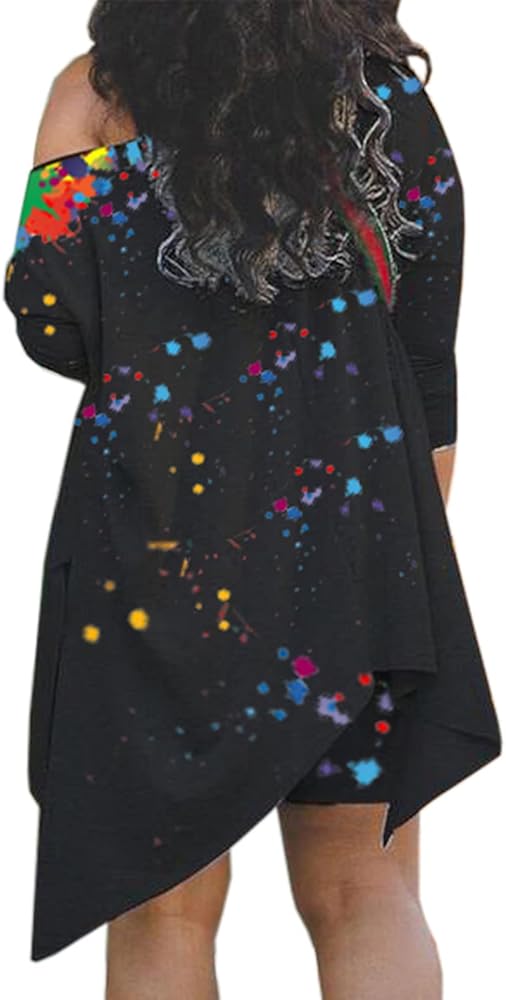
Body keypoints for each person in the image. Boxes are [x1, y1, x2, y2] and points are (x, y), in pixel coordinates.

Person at [3, 2, 501, 997]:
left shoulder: (100, 91)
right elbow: (427, 355)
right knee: (364, 887)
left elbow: (48, 318)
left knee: (161, 906)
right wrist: (403, 577)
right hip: (354, 550)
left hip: (153, 549)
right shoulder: (381, 97)